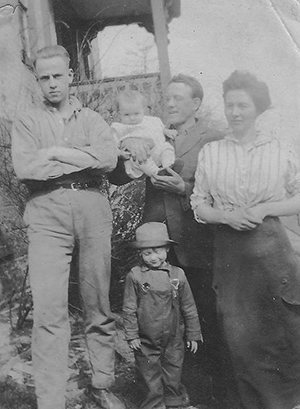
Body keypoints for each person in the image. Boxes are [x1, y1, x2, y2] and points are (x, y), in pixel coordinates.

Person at [11, 45, 125, 409]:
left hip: (92, 209)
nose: (52, 84)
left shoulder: (91, 118)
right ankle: (51, 398)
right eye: (44, 78)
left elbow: (108, 159)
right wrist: (83, 159)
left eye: (58, 76)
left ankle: (102, 383)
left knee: (98, 304)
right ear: (37, 80)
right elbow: (27, 169)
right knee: (49, 310)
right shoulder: (27, 121)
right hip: (46, 212)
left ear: (71, 76)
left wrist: (57, 154)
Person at [191, 70, 300, 409]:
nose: (235, 113)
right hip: (231, 256)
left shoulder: (280, 150)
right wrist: (227, 216)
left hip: (272, 253)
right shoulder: (212, 153)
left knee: (282, 334)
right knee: (239, 338)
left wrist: (267, 207)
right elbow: (199, 204)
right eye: (230, 105)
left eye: (243, 105)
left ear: (258, 109)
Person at [118, 74, 224, 404]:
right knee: (159, 322)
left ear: (196, 104)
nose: (171, 103)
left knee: (200, 315)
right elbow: (118, 176)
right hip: (157, 246)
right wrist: (126, 149)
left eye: (179, 98)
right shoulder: (150, 130)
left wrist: (186, 189)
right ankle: (169, 394)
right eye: (168, 98)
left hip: (196, 242)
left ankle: (211, 392)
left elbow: (223, 190)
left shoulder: (213, 138)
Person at [123, 222, 202, 409]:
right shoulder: (135, 276)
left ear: (167, 248)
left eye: (158, 250)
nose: (153, 257)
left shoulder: (178, 275)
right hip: (146, 338)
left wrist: (193, 334)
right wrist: (132, 334)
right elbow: (129, 308)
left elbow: (189, 307)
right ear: (140, 254)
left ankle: (175, 404)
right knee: (149, 375)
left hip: (174, 337)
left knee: (174, 371)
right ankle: (154, 405)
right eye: (147, 253)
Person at [111, 89, 176, 178]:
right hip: (139, 158)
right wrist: (120, 153)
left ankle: (169, 166)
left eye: (136, 113)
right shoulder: (119, 127)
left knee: (166, 147)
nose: (132, 118)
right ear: (119, 114)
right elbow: (112, 145)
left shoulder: (151, 120)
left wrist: (167, 131)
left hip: (157, 151)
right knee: (139, 157)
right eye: (127, 115)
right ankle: (156, 173)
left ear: (143, 110)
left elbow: (160, 128)